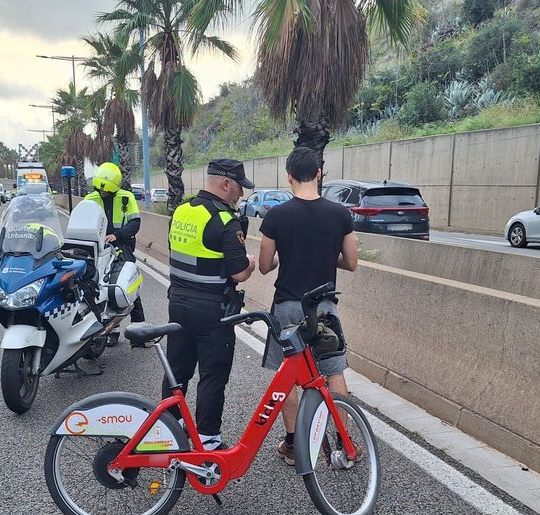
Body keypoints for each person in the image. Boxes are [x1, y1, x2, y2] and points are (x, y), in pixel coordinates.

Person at [258, 146, 359, 465]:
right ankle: (344, 441)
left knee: (287, 376)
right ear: (319, 174)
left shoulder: (276, 216)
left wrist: (287, 254)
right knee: (334, 371)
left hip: (287, 306)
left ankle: (294, 445)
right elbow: (352, 262)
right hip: (324, 307)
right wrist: (327, 256)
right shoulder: (340, 214)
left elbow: (264, 265)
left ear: (288, 176)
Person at [164, 159, 257, 451]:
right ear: (226, 184)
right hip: (211, 310)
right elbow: (239, 272)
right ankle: (207, 438)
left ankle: (168, 427)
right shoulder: (225, 220)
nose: (241, 194)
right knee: (212, 376)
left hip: (177, 303)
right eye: (240, 187)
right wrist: (251, 262)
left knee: (177, 370)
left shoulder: (182, 210)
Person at [83, 162, 145, 345]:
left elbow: (135, 223)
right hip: (97, 248)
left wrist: (117, 235)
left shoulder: (126, 198)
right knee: (99, 287)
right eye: (101, 190)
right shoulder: (90, 198)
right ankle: (112, 330)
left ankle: (139, 331)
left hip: (121, 246)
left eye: (106, 191)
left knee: (127, 285)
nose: (103, 193)